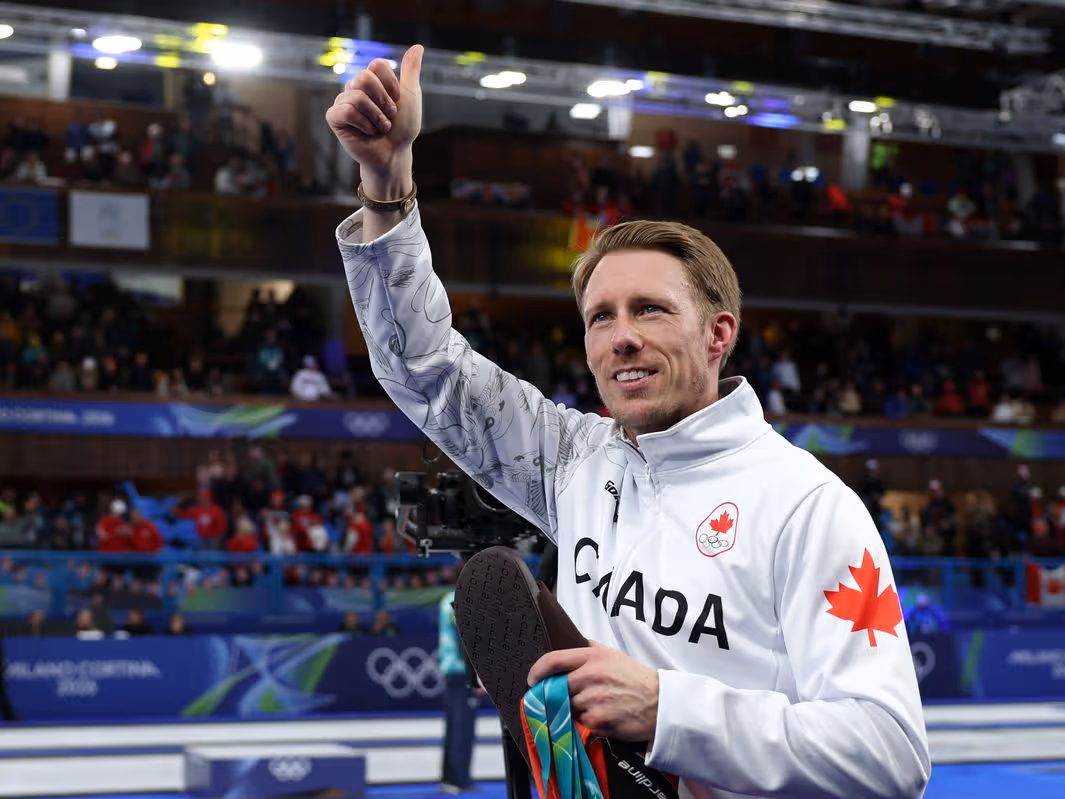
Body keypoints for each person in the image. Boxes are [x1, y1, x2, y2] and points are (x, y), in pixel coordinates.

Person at [327, 49, 930, 799]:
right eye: (600, 317)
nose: (621, 338)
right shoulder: (576, 461)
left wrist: (669, 711)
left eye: (650, 308)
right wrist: (387, 187)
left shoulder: (808, 507)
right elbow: (426, 371)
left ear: (718, 333)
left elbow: (890, 751)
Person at [438, 583, 483, 794]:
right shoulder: (459, 599)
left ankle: (450, 777)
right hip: (461, 671)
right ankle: (459, 779)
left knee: (454, 726)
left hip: (452, 670)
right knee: (462, 728)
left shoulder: (447, 598)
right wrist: (474, 675)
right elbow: (461, 638)